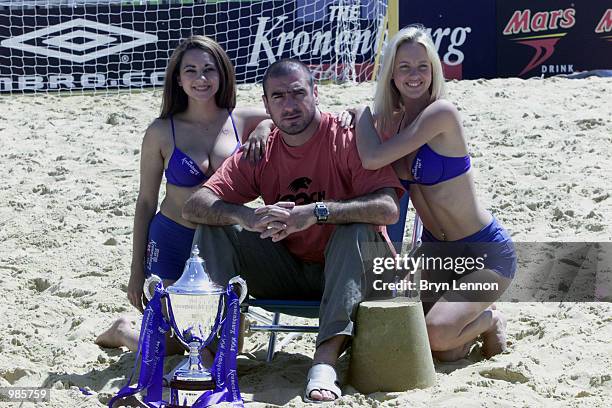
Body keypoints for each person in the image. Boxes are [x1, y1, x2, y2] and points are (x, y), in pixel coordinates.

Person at [182, 59, 404, 402]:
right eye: (279, 97)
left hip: (355, 273)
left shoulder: (345, 136)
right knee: (216, 227)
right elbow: (194, 204)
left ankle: (325, 362)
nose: (289, 104)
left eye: (298, 93)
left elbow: (389, 209)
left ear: (315, 94)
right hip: (290, 268)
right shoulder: (263, 147)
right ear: (267, 105)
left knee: (354, 229)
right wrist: (246, 216)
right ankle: (209, 355)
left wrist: (317, 213)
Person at [95, 35, 270, 354]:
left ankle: (129, 331)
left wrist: (262, 129)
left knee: (222, 350)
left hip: (221, 243)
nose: (201, 78)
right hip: (172, 240)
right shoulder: (161, 131)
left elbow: (284, 115)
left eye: (209, 70)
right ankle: (123, 332)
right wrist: (136, 270)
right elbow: (146, 202)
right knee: (183, 346)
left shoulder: (240, 119)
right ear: (177, 78)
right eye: (191, 70)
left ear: (223, 74)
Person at [353, 25, 517, 362]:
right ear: (392, 76)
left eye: (422, 67)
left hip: (484, 253)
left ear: (434, 71)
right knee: (445, 351)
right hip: (436, 253)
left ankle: (490, 319)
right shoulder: (392, 123)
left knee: (435, 334)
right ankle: (473, 319)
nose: (415, 75)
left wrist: (361, 117)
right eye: (405, 67)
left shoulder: (442, 113)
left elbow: (371, 157)